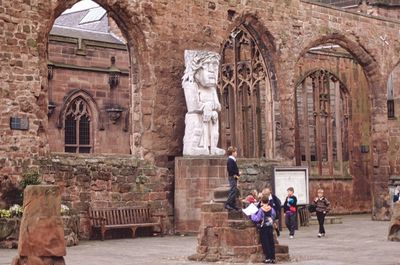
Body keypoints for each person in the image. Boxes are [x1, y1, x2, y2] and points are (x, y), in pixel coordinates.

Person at [251, 195, 276, 264]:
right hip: (270, 227)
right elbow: (274, 216)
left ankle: (268, 258)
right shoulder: (272, 209)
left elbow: (257, 218)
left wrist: (252, 215)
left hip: (263, 228)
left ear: (261, 202)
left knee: (265, 243)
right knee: (271, 242)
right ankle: (273, 258)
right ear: (268, 202)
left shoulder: (261, 210)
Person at [225, 146, 240, 211]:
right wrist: (236, 173)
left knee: (234, 190)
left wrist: (237, 173)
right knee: (233, 190)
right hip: (232, 177)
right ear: (232, 152)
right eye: (235, 152)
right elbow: (230, 169)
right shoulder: (230, 160)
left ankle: (233, 204)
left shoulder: (232, 160)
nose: (236, 153)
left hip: (234, 177)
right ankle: (228, 204)